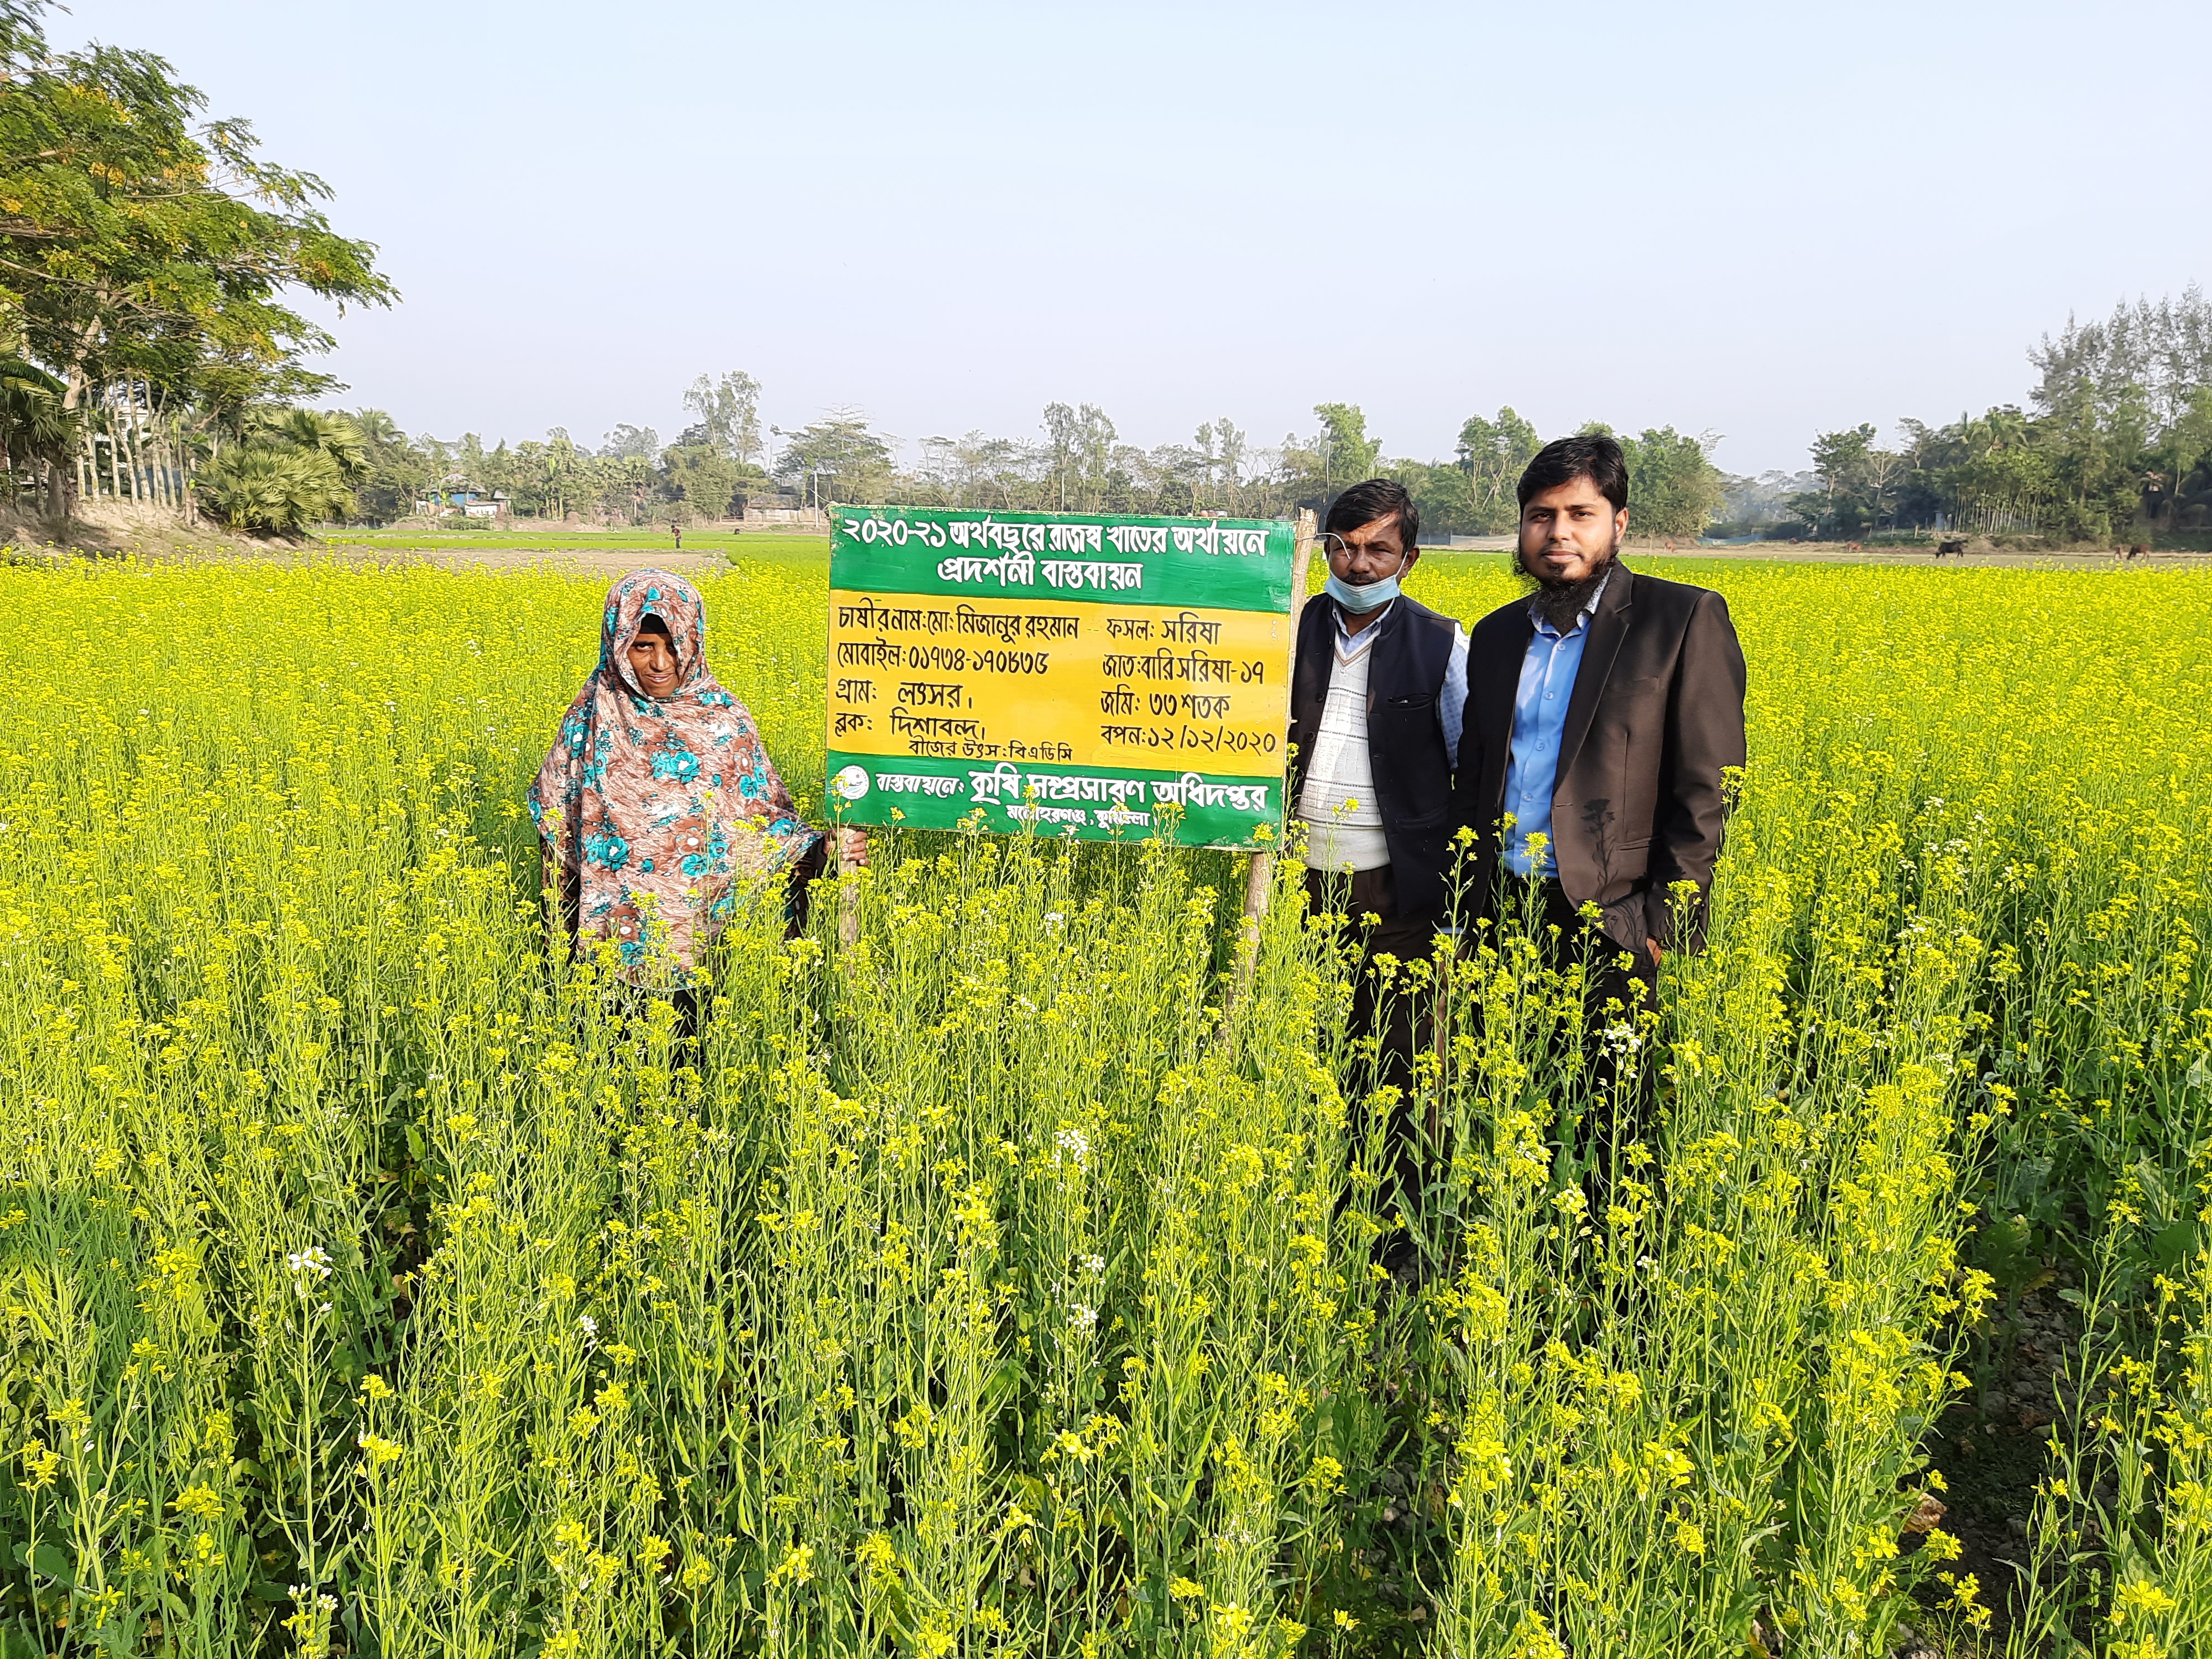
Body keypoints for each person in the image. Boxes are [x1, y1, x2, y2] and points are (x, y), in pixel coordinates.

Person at [1454, 434, 1746, 1172]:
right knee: (1511, 1097)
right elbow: (1480, 772)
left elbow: (1707, 786)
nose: (1559, 534)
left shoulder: (1679, 621)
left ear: (1618, 523)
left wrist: (1662, 922)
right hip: (1504, 909)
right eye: (1541, 516)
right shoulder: (1494, 638)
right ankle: (1525, 1263)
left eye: (1581, 514)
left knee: (1616, 1120)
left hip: (1612, 916)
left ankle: (1616, 1285)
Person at [529, 569, 864, 1011]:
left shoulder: (724, 720)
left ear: (695, 639)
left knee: (700, 1065)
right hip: (608, 961)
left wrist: (827, 848)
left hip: (713, 961)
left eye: (674, 644)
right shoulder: (589, 720)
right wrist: (556, 947)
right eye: (643, 646)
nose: (661, 663)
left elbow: (764, 827)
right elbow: (557, 834)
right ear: (617, 641)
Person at [1287, 477, 1468, 1216]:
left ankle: (1395, 1220)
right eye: (1344, 547)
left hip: (1398, 885)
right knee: (1309, 1045)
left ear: (1410, 558)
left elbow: (1468, 763)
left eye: (1378, 550)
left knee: (1400, 1056)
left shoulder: (1442, 642)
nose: (1358, 566)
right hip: (1301, 877)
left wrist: (1460, 900)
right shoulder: (1288, 627)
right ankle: (1310, 1194)